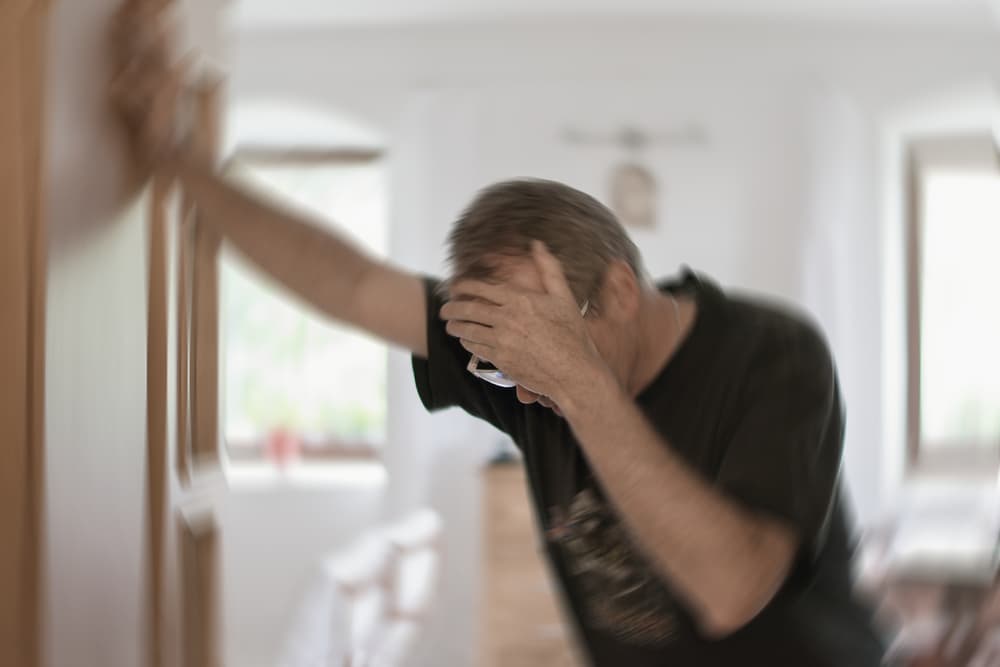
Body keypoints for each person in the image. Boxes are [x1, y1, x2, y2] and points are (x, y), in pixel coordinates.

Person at [111, 13, 886, 666]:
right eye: (499, 351)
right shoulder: (510, 349)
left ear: (619, 289)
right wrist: (175, 161)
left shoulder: (775, 356)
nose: (520, 384)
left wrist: (578, 383)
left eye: (539, 343)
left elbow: (731, 590)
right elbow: (346, 282)